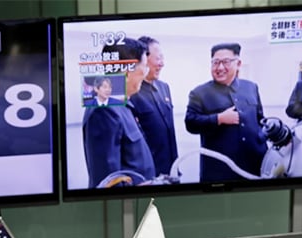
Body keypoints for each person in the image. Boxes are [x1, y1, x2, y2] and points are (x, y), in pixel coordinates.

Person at [185, 42, 267, 182]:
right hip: (219, 170)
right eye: (216, 62)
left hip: (255, 164)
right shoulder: (199, 93)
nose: (220, 67)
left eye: (226, 62)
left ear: (238, 63)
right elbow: (190, 123)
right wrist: (219, 119)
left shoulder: (251, 87)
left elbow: (260, 119)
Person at [82, 37, 155, 188]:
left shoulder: (122, 105)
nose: (146, 73)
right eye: (144, 67)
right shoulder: (104, 110)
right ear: (127, 72)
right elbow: (108, 181)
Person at [129, 36, 179, 176]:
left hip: (171, 170)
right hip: (148, 174)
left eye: (162, 58)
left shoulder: (164, 87)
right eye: (158, 59)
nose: (162, 64)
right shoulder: (132, 92)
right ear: (144, 59)